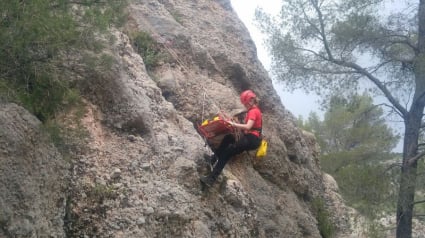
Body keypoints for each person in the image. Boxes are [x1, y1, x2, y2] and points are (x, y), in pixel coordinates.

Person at [200, 90, 262, 187]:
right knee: (228, 138)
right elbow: (247, 127)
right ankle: (213, 159)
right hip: (251, 137)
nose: (245, 105)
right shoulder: (254, 111)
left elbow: (248, 127)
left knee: (227, 153)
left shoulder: (253, 111)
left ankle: (211, 179)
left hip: (252, 139)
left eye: (245, 103)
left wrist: (232, 124)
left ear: (250, 101)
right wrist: (230, 121)